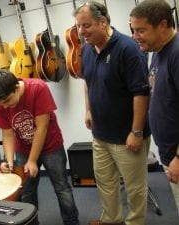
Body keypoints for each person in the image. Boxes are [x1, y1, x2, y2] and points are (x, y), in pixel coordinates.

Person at [74, 2, 151, 225]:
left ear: (103, 22)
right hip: (100, 135)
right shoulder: (87, 48)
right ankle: (111, 220)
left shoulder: (128, 49)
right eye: (78, 26)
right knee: (105, 183)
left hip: (127, 136)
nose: (81, 31)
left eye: (86, 25)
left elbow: (141, 93)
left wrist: (136, 132)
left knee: (135, 188)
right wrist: (88, 110)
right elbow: (87, 81)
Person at [0, 70, 79, 225]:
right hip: (23, 148)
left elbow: (42, 128)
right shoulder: (1, 102)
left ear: (16, 87)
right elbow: (7, 134)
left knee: (62, 187)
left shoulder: (38, 88)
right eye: (1, 104)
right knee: (27, 190)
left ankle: (72, 221)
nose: (6, 106)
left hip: (51, 146)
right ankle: (30, 222)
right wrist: (9, 162)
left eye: (7, 101)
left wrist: (32, 160)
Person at [130, 0, 179, 210]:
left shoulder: (177, 53)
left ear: (163, 25)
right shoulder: (158, 51)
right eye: (133, 30)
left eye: (141, 30)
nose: (135, 36)